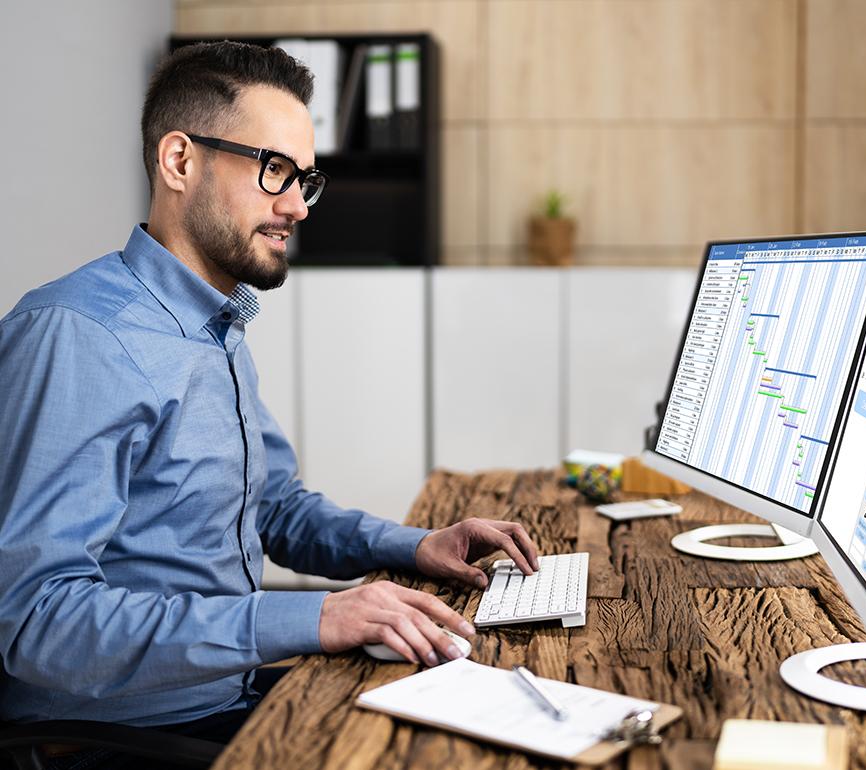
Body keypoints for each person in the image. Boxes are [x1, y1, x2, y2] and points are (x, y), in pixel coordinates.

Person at [0, 40, 540, 749]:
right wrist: (314, 619)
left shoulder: (214, 327)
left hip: (224, 691)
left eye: (305, 179)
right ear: (179, 161)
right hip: (109, 736)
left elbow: (272, 507)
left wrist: (417, 547)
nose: (297, 206)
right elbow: (37, 619)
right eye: (274, 170)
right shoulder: (79, 335)